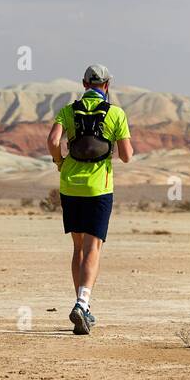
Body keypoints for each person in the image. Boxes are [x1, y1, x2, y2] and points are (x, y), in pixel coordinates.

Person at [46, 64, 132, 335]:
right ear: (107, 85)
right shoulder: (116, 113)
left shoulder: (68, 110)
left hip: (70, 186)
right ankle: (82, 303)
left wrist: (59, 160)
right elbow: (127, 155)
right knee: (94, 248)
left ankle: (83, 306)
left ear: (84, 84)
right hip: (99, 188)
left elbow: (52, 139)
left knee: (78, 248)